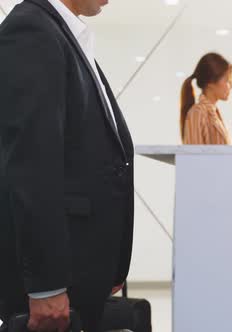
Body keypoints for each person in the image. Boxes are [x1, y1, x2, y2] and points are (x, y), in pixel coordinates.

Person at [0, 0, 135, 331]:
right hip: (56, 284)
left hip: (81, 272)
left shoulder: (63, 35)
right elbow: (32, 167)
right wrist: (47, 284)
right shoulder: (33, 31)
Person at [180, 52, 232, 145]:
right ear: (211, 83)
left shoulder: (213, 112)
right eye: (227, 80)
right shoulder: (197, 113)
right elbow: (193, 157)